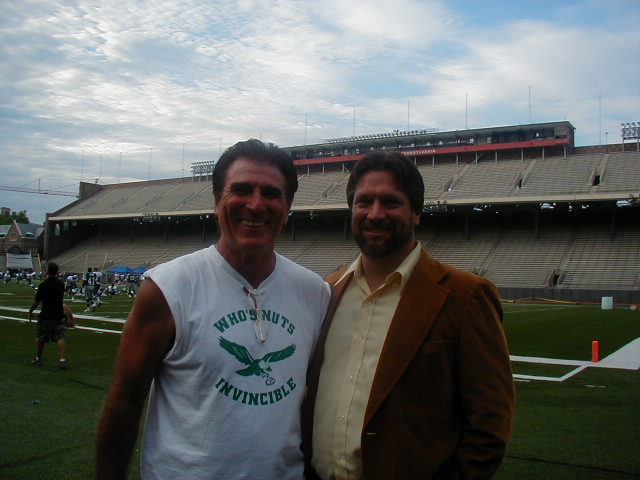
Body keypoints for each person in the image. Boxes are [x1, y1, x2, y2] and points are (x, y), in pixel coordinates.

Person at [97, 139, 331, 480]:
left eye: (270, 193)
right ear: (218, 199)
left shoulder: (315, 292)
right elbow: (125, 402)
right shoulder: (167, 289)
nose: (255, 204)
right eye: (241, 190)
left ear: (288, 206)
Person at [303, 151, 515, 480]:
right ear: (352, 209)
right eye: (364, 201)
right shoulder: (325, 292)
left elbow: (489, 425)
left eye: (390, 202)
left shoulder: (466, 296)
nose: (375, 214)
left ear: (416, 212)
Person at [28, 262, 74, 369]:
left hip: (46, 314)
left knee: (41, 338)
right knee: (60, 337)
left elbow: (36, 301)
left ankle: (39, 359)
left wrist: (30, 311)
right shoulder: (61, 284)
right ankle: (62, 360)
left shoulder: (43, 285)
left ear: (48, 271)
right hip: (58, 314)